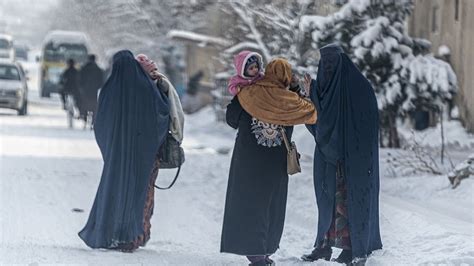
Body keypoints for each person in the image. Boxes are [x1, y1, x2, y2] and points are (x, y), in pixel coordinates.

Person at [221, 58, 317, 266]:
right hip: (275, 163)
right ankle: (263, 251)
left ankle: (255, 252)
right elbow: (311, 113)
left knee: (249, 203)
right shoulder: (290, 100)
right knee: (271, 205)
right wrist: (297, 90)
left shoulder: (249, 92)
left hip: (248, 160)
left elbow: (231, 119)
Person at [78, 50, 170, 252]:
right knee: (135, 195)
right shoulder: (146, 89)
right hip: (140, 156)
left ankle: (107, 233)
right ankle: (130, 237)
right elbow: (162, 115)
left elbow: (100, 123)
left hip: (116, 157)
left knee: (112, 192)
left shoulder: (110, 90)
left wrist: (109, 150)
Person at [301, 44, 382, 264]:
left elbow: (368, 126)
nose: (327, 67)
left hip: (353, 161)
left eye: (332, 62)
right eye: (324, 63)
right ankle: (324, 245)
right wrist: (310, 97)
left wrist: (352, 152)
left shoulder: (359, 88)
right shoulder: (322, 89)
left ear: (341, 61)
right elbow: (318, 126)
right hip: (328, 160)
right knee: (326, 202)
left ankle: (353, 249)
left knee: (350, 204)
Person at [79, 54, 104, 124]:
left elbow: (80, 79)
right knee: (94, 105)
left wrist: (81, 87)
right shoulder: (98, 69)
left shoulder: (84, 68)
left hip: (85, 90)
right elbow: (101, 81)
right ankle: (93, 120)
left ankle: (83, 116)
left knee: (84, 103)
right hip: (94, 91)